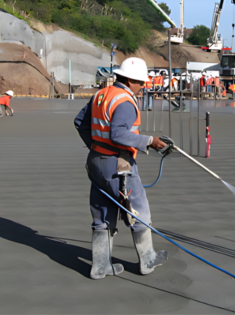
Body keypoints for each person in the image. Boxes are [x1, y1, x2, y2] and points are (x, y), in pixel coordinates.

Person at [74, 57, 169, 279]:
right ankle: (147, 260)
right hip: (118, 164)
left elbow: (80, 122)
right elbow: (118, 134)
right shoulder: (124, 101)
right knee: (138, 210)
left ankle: (100, 267)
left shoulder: (101, 95)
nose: (143, 86)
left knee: (102, 213)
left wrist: (96, 146)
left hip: (96, 161)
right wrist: (150, 141)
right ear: (130, 79)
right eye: (141, 82)